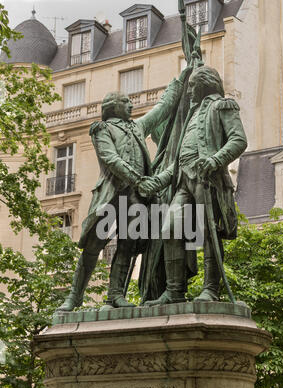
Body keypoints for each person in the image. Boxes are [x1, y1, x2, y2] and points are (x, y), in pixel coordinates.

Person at [58, 67, 191, 311]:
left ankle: (114, 296)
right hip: (111, 194)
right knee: (93, 246)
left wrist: (182, 77)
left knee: (127, 247)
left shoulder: (138, 127)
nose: (131, 106)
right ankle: (74, 297)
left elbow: (162, 108)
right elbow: (110, 159)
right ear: (113, 105)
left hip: (136, 199)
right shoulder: (102, 129)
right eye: (126, 102)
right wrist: (138, 179)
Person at [141, 65, 248, 305]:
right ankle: (174, 291)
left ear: (204, 84)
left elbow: (239, 140)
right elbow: (180, 158)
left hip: (208, 179)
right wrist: (158, 180)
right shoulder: (191, 114)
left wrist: (214, 160)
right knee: (170, 230)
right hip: (183, 180)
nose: (189, 91)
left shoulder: (222, 105)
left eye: (192, 86)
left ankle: (211, 289)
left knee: (210, 234)